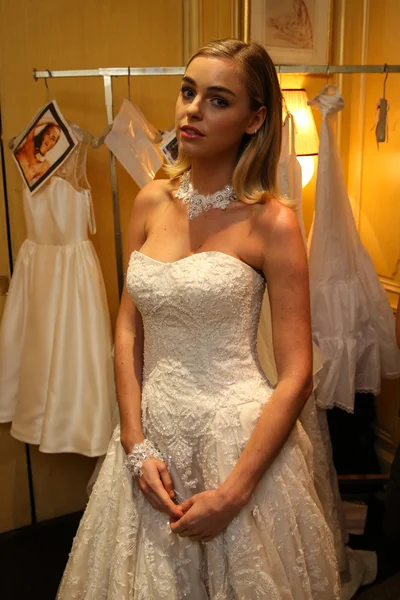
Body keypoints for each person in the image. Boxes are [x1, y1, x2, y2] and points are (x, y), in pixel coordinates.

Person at [57, 38, 340, 599]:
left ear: (255, 119)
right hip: (150, 439)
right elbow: (128, 329)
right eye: (189, 92)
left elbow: (297, 375)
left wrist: (233, 494)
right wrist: (135, 445)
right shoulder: (151, 200)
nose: (191, 110)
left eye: (217, 100)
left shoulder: (272, 222)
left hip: (236, 441)